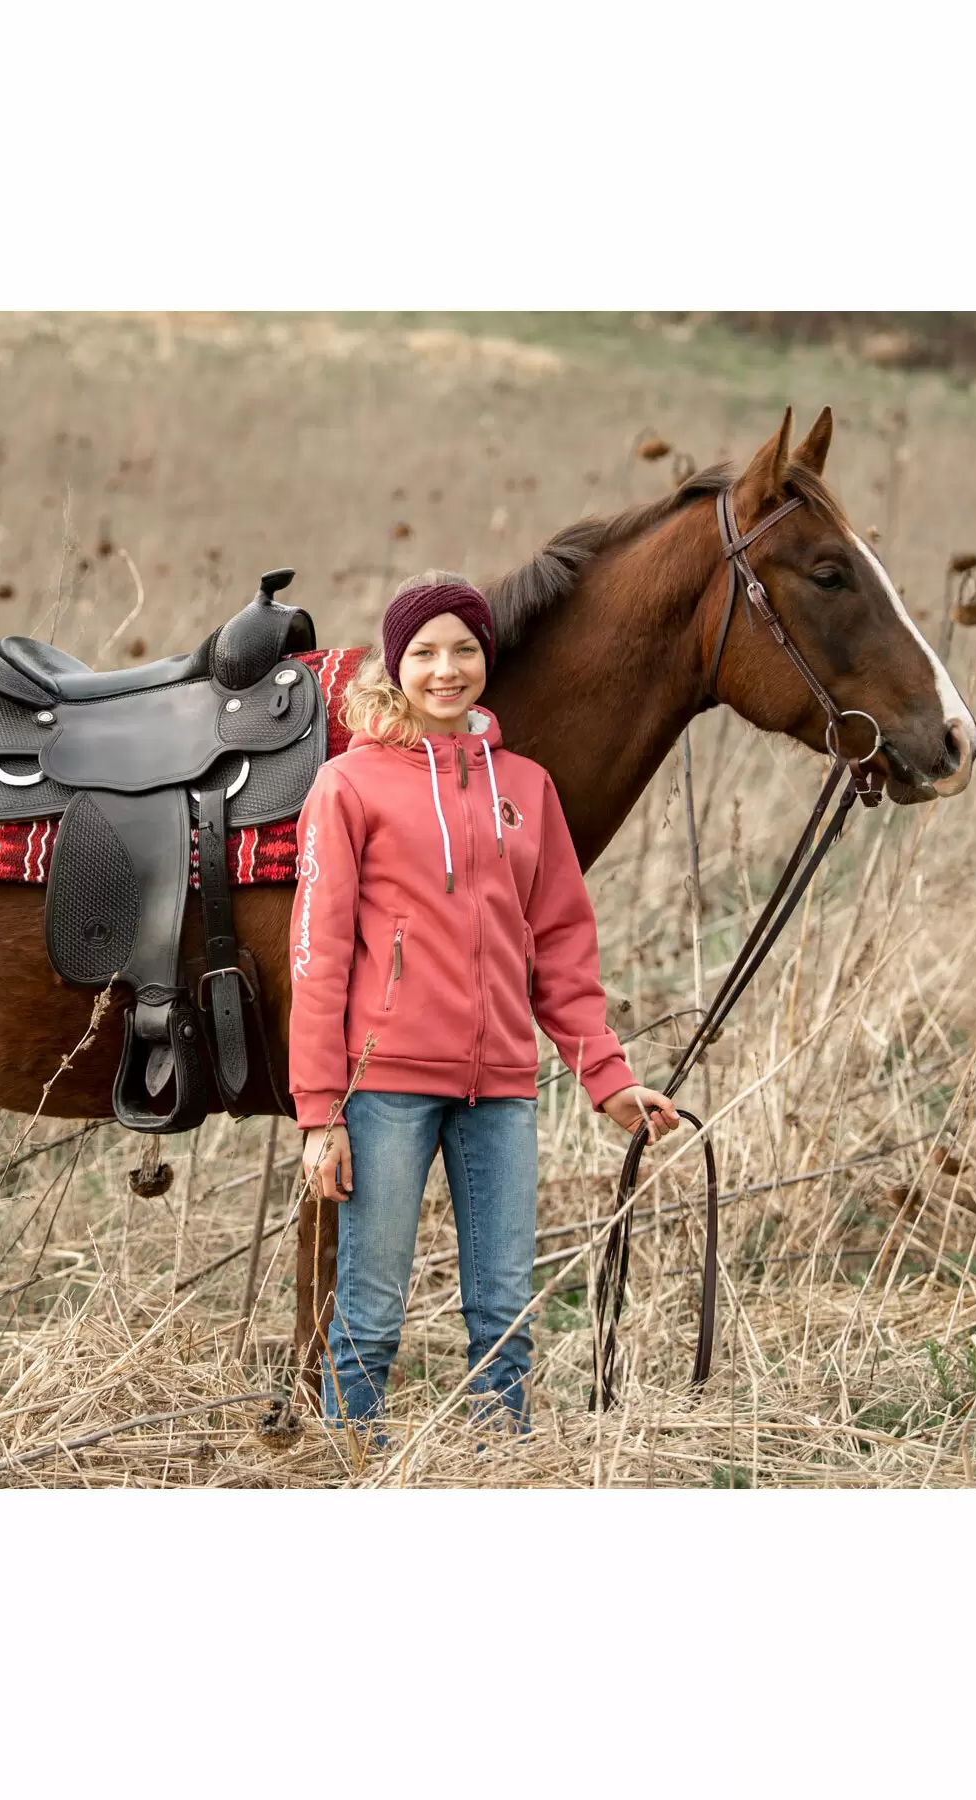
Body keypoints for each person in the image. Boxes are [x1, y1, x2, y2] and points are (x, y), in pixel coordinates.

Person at [287, 571, 679, 1432]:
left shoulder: (527, 788)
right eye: (424, 652)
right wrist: (320, 1111)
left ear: (486, 660)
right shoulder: (348, 789)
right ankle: (352, 1463)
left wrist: (608, 1079)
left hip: (501, 1087)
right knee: (372, 1310)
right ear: (396, 665)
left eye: (463, 649)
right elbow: (316, 959)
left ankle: (503, 1461)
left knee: (504, 1311)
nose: (446, 669)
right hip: (383, 1086)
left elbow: (563, 948)